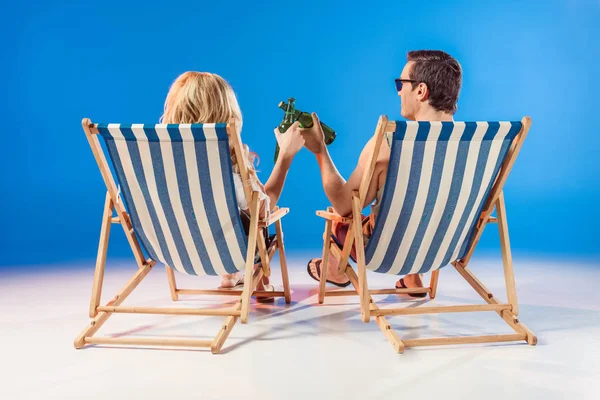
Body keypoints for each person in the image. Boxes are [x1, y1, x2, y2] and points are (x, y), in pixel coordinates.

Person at [299, 50, 462, 294]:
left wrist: (320, 150)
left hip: (389, 252)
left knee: (338, 219)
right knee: (423, 209)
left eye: (401, 83)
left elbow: (344, 204)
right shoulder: (478, 144)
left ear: (420, 90)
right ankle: (413, 277)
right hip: (444, 249)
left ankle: (334, 269)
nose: (398, 91)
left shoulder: (389, 141)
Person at [161, 71, 305, 299]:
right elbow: (261, 209)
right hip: (227, 252)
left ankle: (230, 276)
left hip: (175, 250)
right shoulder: (224, 168)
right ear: (228, 115)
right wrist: (283, 158)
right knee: (256, 223)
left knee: (219, 215)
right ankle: (260, 282)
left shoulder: (159, 164)